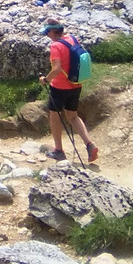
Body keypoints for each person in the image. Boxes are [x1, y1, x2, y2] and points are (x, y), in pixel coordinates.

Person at [38, 18, 98, 163]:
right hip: (76, 84)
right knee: (73, 116)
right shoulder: (72, 38)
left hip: (60, 87)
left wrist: (45, 79)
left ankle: (58, 150)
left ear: (53, 31)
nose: (47, 35)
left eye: (47, 32)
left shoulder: (55, 46)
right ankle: (90, 145)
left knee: (55, 116)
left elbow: (57, 69)